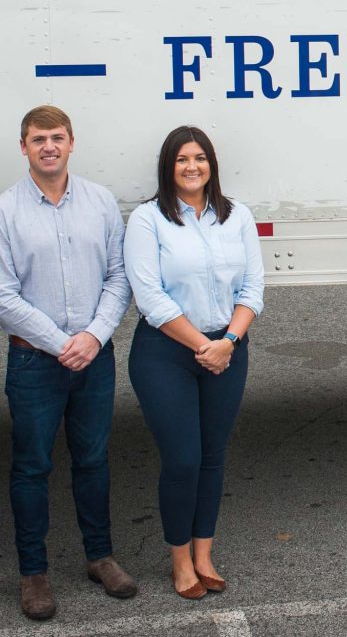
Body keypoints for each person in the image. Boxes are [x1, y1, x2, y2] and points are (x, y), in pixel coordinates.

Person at [0, 105, 137, 619]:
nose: (48, 146)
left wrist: (92, 336)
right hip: (34, 364)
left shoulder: (99, 203)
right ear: (22, 147)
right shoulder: (4, 212)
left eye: (57, 137)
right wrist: (59, 342)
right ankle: (34, 574)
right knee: (31, 467)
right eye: (37, 138)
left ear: (72, 143)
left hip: (95, 357)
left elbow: (119, 277)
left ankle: (100, 556)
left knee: (93, 459)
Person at [124, 125, 265, 598]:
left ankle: (205, 553)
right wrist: (203, 346)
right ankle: (180, 560)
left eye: (200, 157)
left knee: (212, 457)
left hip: (227, 349)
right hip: (166, 353)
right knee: (182, 458)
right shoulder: (149, 219)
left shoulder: (237, 216)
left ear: (212, 165)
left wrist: (227, 340)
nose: (191, 166)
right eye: (182, 158)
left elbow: (252, 289)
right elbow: (150, 296)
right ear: (168, 166)